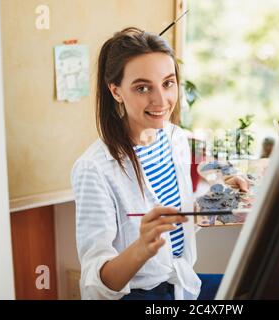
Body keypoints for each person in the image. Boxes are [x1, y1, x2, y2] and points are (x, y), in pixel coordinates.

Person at [71, 27, 248, 300]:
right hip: (136, 294)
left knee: (257, 286)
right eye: (142, 88)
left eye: (168, 83)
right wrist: (142, 247)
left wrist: (217, 195)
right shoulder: (93, 168)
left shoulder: (175, 138)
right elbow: (96, 285)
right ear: (116, 91)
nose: (160, 100)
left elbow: (180, 219)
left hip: (179, 282)